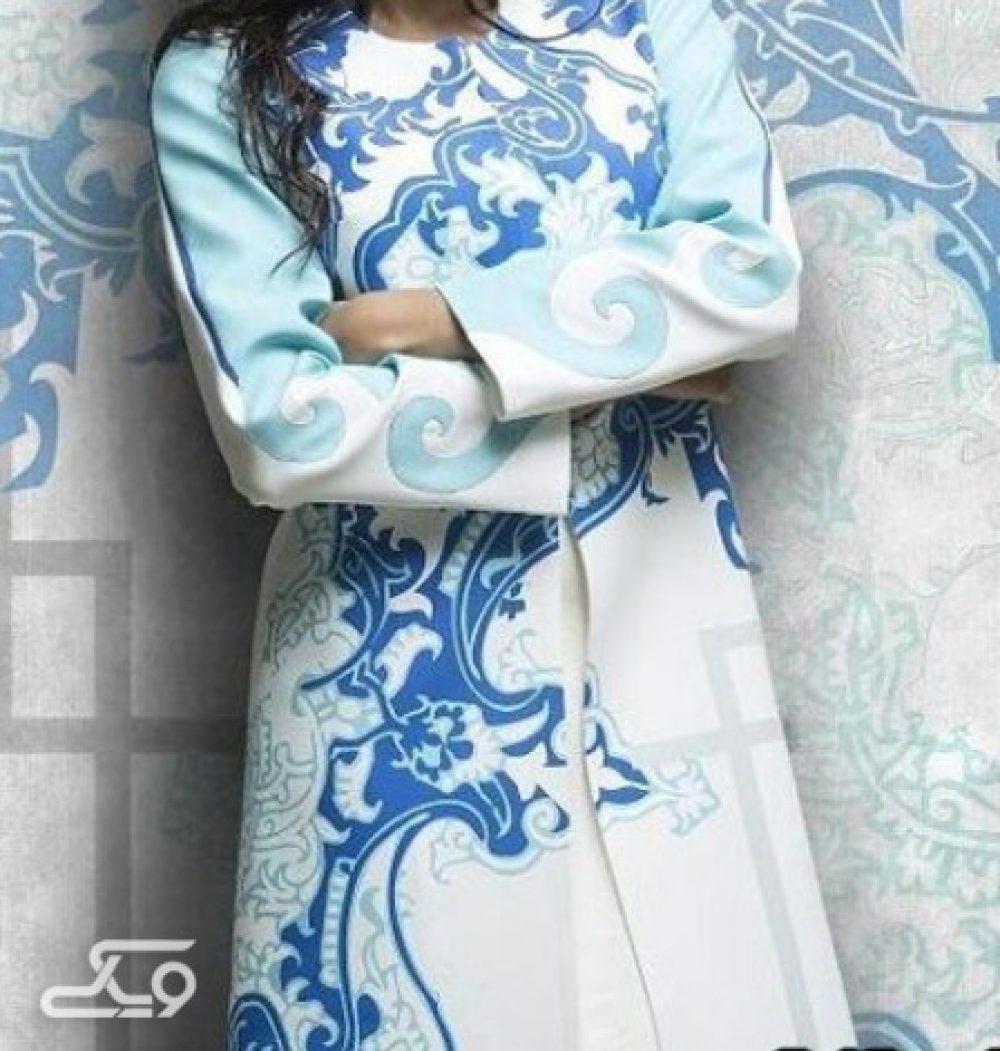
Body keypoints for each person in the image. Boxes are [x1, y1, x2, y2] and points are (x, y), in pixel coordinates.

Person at [147, 1, 858, 1047]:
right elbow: (282, 424)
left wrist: (431, 317)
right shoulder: (223, 77)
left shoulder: (650, 21)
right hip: (387, 672)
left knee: (700, 994)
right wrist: (630, 360)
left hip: (665, 613)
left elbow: (750, 277)